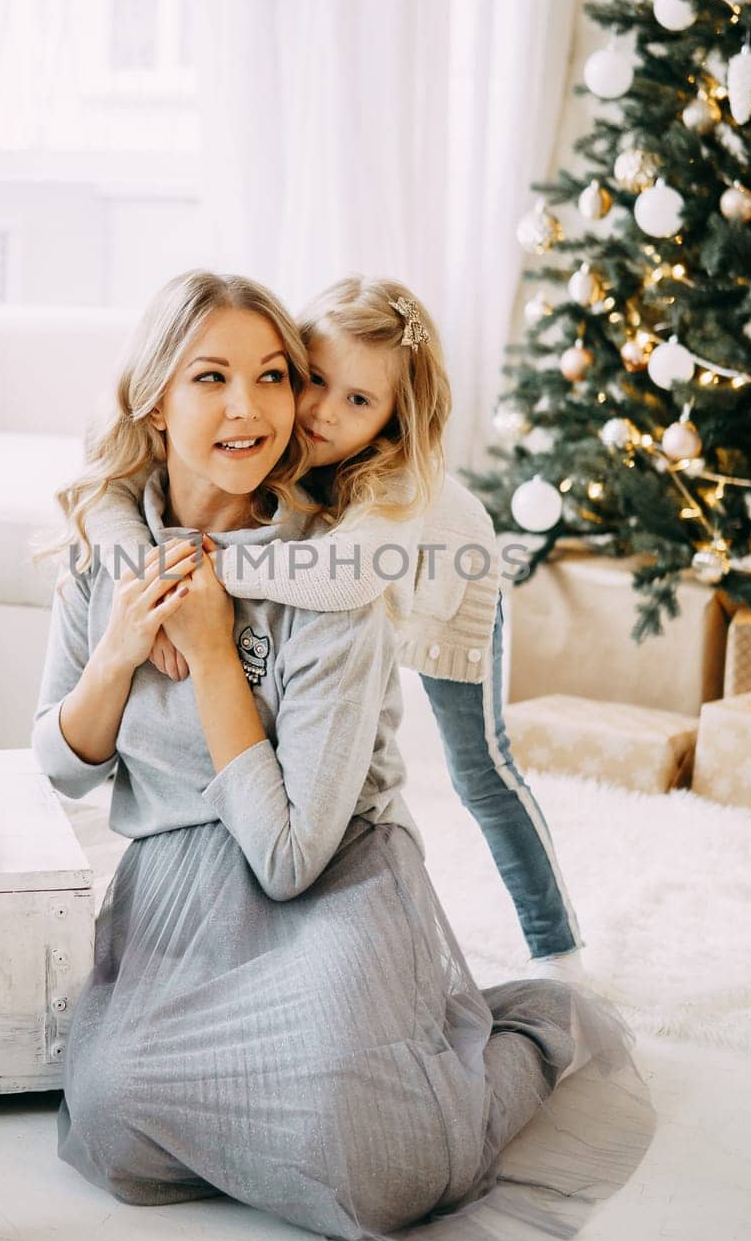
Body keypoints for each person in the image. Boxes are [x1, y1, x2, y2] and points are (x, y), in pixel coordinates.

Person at [31, 269, 655, 1241]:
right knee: (113, 1126)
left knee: (379, 1160)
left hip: (334, 866)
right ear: (153, 399)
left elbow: (287, 858)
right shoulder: (109, 551)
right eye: (212, 378)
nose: (258, 407)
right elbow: (56, 769)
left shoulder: (335, 572)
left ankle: (525, 1033)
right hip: (181, 884)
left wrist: (214, 650)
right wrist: (117, 648)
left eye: (274, 377)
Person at [91, 275, 583, 967]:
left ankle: (556, 948)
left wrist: (203, 573)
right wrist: (143, 571)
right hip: (353, 592)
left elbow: (341, 576)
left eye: (359, 400)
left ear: (393, 418)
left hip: (447, 591)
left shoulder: (393, 484)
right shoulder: (268, 442)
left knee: (482, 772)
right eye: (313, 379)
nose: (322, 412)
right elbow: (102, 495)